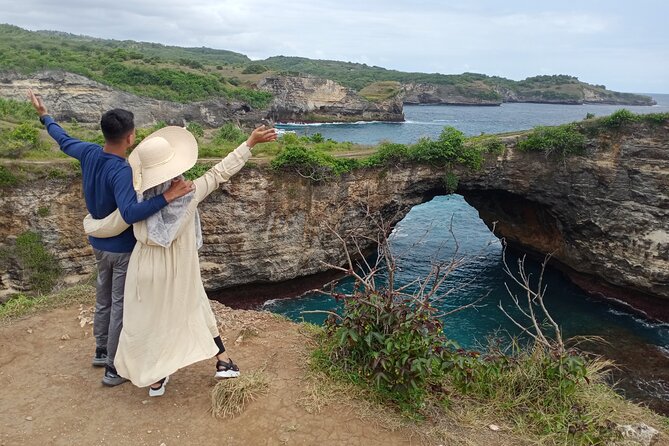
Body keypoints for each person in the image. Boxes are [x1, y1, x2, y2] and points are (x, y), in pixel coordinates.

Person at [82, 124, 277, 396]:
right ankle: (222, 362)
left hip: (144, 266)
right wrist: (249, 143)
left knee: (149, 321)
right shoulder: (191, 192)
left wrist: (90, 225)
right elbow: (220, 172)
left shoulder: (136, 198)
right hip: (179, 267)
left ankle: (156, 379)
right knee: (195, 309)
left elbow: (112, 223)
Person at [28, 91, 194, 387]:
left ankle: (101, 348)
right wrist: (169, 196)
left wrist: (45, 115)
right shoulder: (121, 171)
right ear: (131, 138)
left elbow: (62, 138)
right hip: (122, 248)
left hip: (98, 245)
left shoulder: (89, 152)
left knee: (103, 299)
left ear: (104, 132)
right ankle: (113, 367)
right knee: (120, 304)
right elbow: (130, 213)